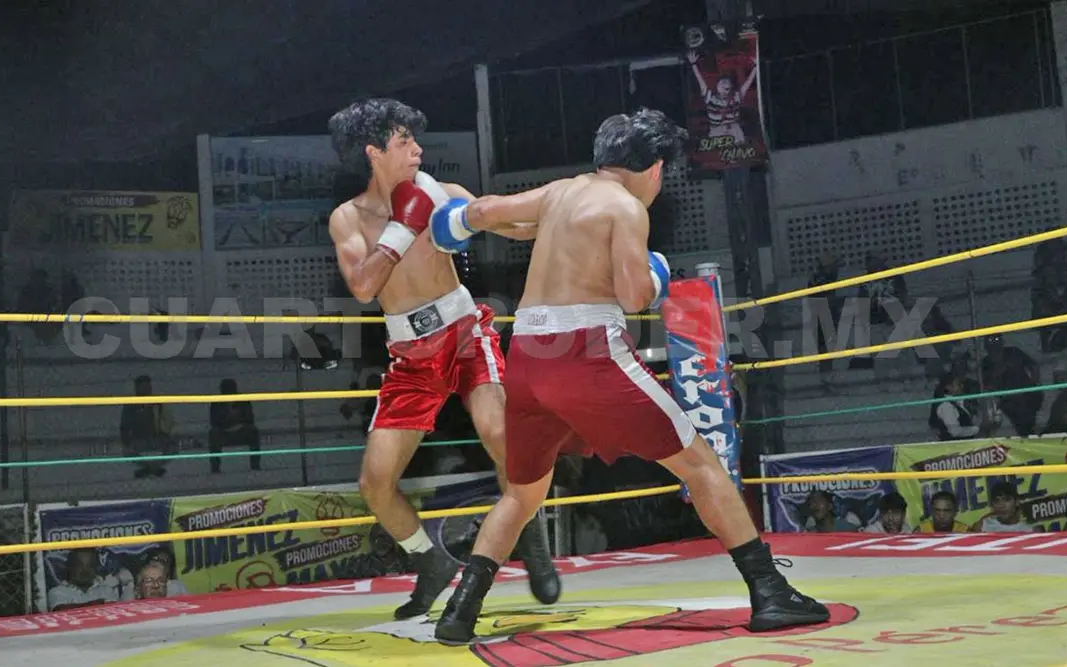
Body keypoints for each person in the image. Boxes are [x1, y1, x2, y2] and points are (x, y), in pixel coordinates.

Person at [425, 108, 829, 643]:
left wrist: (453, 223)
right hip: (586, 352)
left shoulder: (562, 191)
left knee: (523, 492)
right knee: (700, 464)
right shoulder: (625, 207)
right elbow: (636, 296)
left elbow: (485, 210)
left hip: (525, 353)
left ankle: (460, 611)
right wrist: (658, 272)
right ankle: (771, 593)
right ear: (655, 167)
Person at [327, 98, 559, 620]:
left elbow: (513, 226)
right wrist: (401, 231)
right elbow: (363, 287)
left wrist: (562, 210)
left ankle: (534, 539)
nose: (418, 149)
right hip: (411, 356)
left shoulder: (442, 194)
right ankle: (429, 561)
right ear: (373, 151)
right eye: (405, 141)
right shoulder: (347, 219)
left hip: (463, 334)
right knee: (376, 483)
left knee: (503, 437)